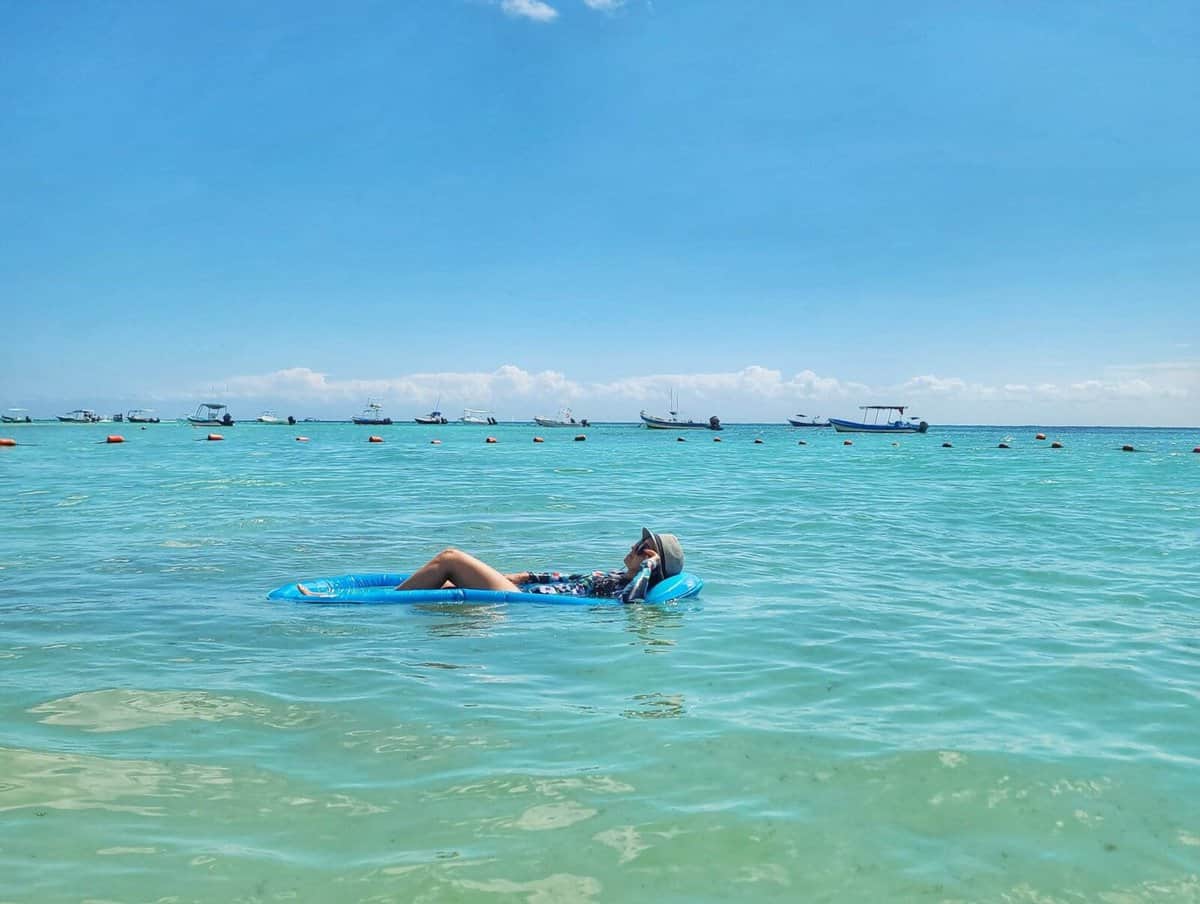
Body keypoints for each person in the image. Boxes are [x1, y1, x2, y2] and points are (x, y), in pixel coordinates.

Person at [299, 528, 684, 603]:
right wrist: (522, 575)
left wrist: (649, 568)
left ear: (651, 560)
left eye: (641, 547)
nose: (632, 547)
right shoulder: (615, 575)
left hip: (516, 604)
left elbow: (631, 605)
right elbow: (567, 578)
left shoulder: (629, 587)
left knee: (449, 558)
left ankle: (368, 605)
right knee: (444, 583)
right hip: (520, 589)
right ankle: (348, 600)